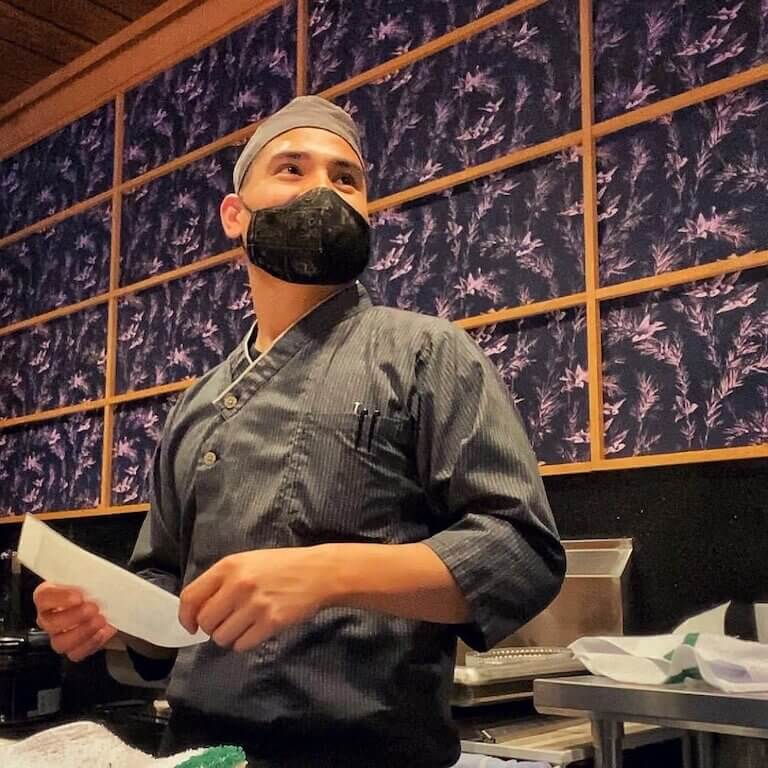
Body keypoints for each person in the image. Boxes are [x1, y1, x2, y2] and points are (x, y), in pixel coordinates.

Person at [34, 96, 565, 767]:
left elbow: (520, 551)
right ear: (235, 215)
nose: (325, 191)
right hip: (198, 752)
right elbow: (169, 592)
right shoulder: (198, 403)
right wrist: (117, 619)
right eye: (292, 169)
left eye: (347, 179)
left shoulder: (428, 354)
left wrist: (322, 573)